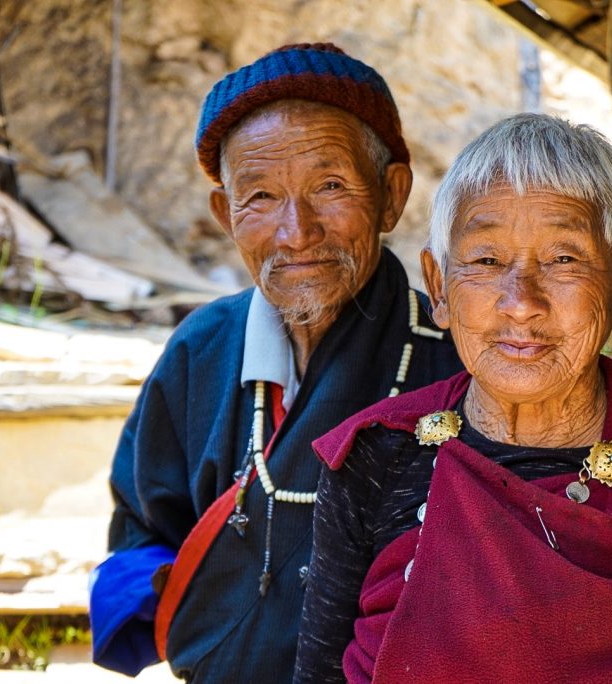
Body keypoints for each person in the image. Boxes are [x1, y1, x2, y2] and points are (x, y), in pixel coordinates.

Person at [295, 113, 612, 683]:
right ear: (438, 287)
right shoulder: (374, 456)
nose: (520, 302)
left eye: (564, 260)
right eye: (486, 261)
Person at [88, 43, 463, 682]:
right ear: (224, 215)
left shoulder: (453, 354)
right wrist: (207, 612)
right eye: (260, 195)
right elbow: (141, 526)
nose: (296, 231)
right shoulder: (200, 349)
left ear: (391, 195)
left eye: (330, 186)